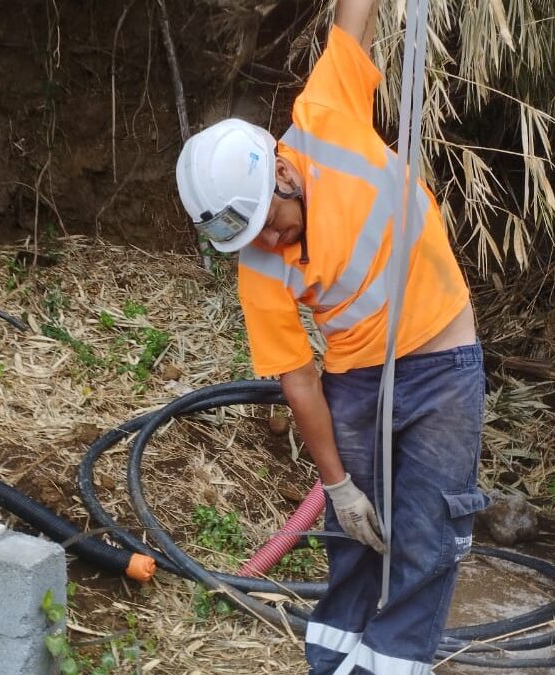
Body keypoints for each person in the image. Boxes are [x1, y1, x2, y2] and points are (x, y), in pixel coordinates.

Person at [175, 1, 489, 673]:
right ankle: (331, 660)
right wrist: (338, 485)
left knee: (427, 535)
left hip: (442, 362)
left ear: (282, 173)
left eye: (268, 221)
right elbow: (296, 378)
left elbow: (354, 20)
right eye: (247, 235)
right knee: (351, 540)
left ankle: (392, 664)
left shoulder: (325, 117)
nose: (264, 241)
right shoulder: (257, 266)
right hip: (355, 377)